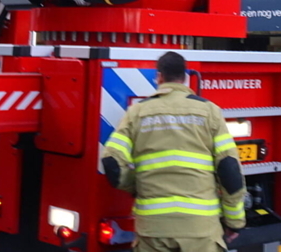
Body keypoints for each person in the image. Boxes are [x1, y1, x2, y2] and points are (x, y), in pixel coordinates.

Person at [101, 51, 246, 252]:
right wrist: (234, 222)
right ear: (186, 78)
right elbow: (229, 170)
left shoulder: (138, 112)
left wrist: (136, 185)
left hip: (154, 229)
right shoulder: (209, 111)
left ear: (159, 76)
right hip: (200, 230)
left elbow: (112, 162)